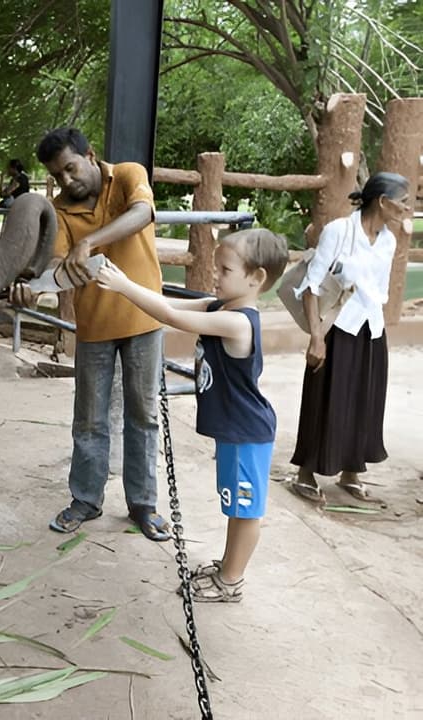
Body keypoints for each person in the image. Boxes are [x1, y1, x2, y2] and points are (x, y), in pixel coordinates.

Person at [96, 229, 289, 601]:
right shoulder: (220, 308)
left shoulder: (238, 322)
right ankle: (227, 566)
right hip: (235, 430)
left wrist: (122, 286)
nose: (214, 275)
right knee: (236, 504)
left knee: (247, 511)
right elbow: (169, 303)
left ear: (256, 278)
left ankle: (232, 580)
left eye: (225, 269)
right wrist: (127, 284)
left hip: (248, 432)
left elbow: (170, 315)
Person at [14, 127, 169, 541]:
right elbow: (59, 265)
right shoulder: (60, 210)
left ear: (90, 154)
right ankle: (85, 499)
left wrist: (92, 243)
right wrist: (33, 286)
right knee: (88, 420)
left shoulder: (129, 175)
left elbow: (142, 214)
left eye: (70, 168)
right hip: (95, 327)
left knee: (144, 416)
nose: (66, 181)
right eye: (57, 175)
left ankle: (143, 504)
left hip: (143, 320)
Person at [287, 172, 410, 503]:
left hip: (372, 328)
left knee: (365, 402)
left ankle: (351, 472)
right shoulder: (339, 231)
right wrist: (316, 338)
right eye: (403, 201)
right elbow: (311, 287)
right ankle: (305, 473)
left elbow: (376, 290)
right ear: (382, 201)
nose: (406, 208)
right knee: (323, 397)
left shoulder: (388, 240)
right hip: (336, 328)